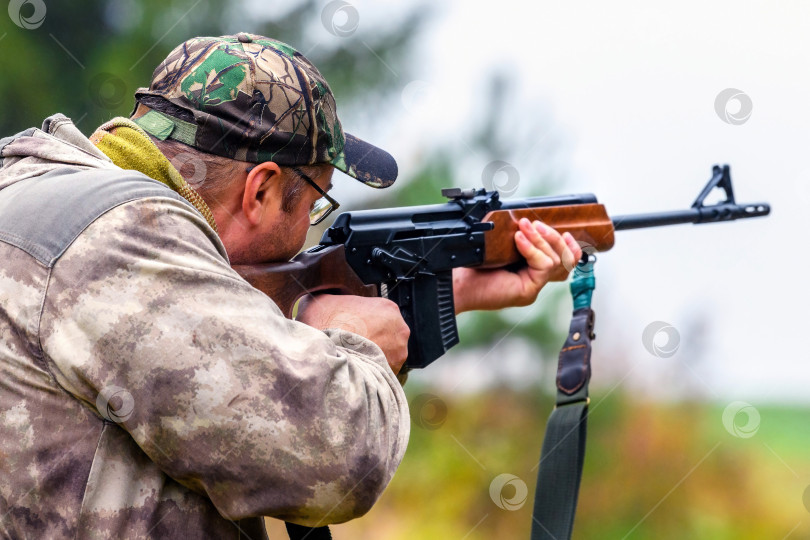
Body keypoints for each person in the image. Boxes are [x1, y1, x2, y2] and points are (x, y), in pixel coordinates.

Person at [0, 34, 581, 538]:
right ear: (260, 190)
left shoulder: (40, 198)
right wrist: (360, 345)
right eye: (317, 201)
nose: (311, 232)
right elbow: (336, 461)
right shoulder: (128, 238)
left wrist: (450, 291)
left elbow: (191, 347)